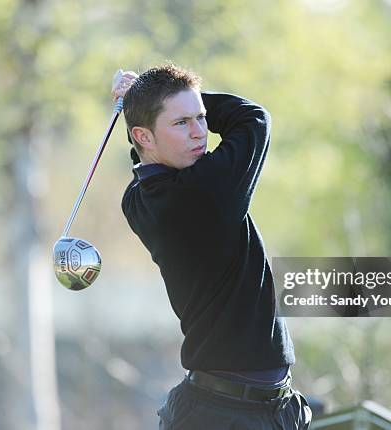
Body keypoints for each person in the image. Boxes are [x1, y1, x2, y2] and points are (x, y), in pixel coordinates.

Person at [112, 63, 312, 429]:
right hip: (226, 415)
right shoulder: (206, 191)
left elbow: (146, 156)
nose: (200, 132)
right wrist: (155, 96)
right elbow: (253, 119)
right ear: (143, 135)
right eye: (182, 123)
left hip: (251, 408)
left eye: (202, 117)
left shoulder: (137, 198)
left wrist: (146, 99)